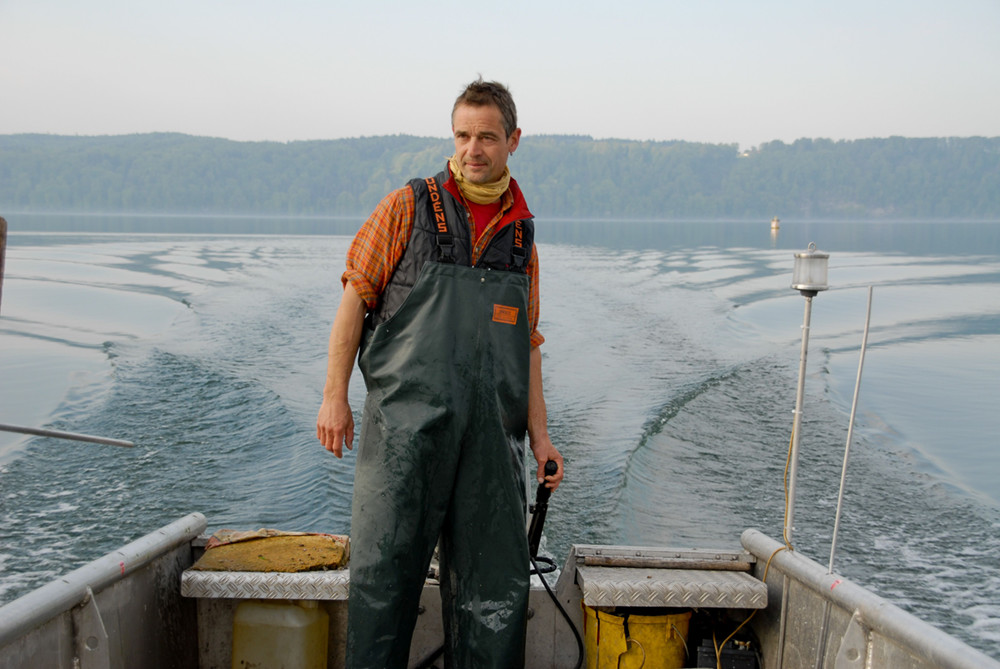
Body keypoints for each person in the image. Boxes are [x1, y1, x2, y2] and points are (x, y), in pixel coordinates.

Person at [316, 78, 564, 669]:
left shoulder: (522, 238)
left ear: (513, 141)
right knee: (382, 582)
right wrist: (335, 398)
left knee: (495, 592)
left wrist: (542, 438)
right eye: (462, 135)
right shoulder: (408, 205)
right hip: (405, 434)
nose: (472, 149)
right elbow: (355, 297)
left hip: (490, 444)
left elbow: (526, 346)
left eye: (486, 137)